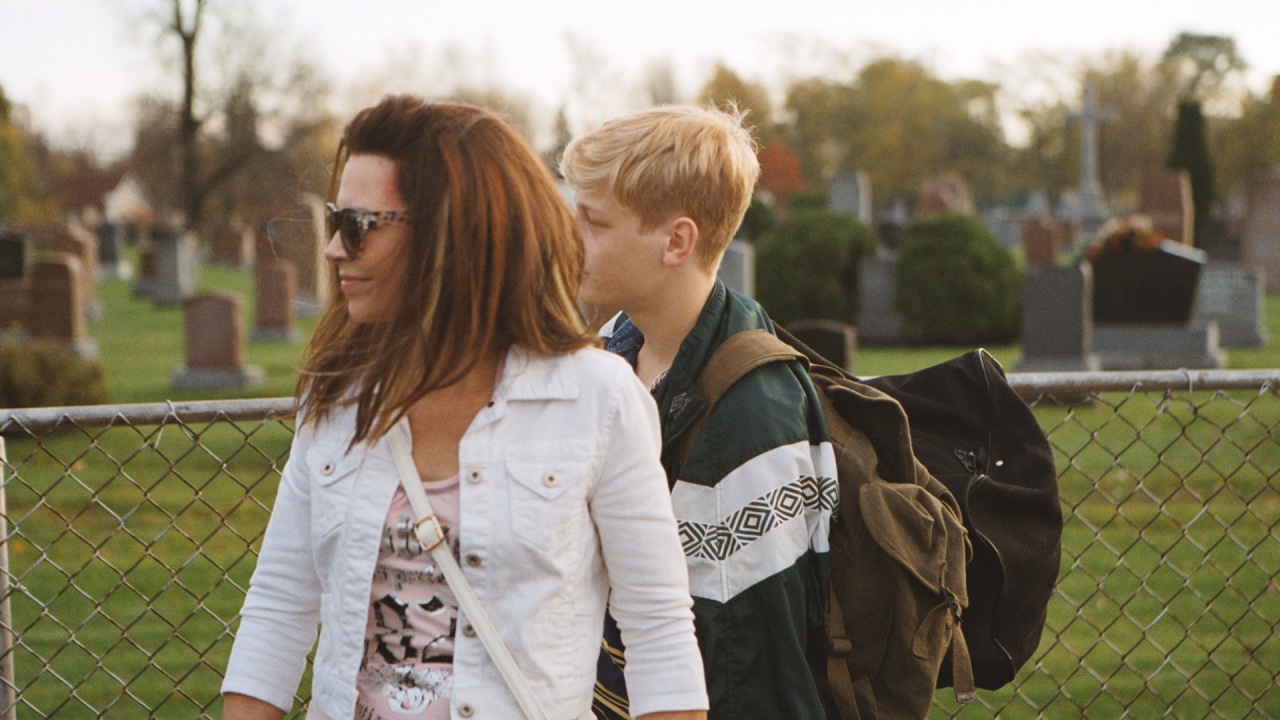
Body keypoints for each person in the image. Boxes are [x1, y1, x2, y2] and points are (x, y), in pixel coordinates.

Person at [221, 96, 709, 720]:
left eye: (360, 225)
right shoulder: (338, 396)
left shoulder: (597, 398)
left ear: (453, 235)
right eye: (334, 221)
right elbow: (278, 606)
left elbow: (658, 630)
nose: (334, 250)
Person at [559, 106, 838, 720]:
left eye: (593, 222)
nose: (568, 238)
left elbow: (749, 678)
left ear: (677, 242)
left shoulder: (747, 418)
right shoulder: (623, 342)